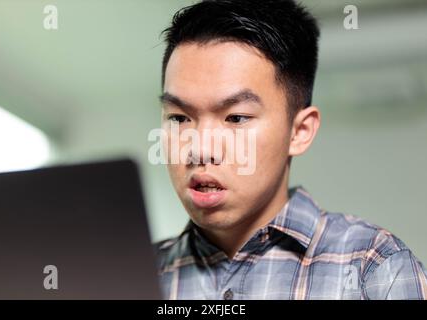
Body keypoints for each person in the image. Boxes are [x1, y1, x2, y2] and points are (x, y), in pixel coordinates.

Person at [154, 0, 427, 299]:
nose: (200, 148)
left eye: (236, 118)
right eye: (179, 118)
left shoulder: (375, 268)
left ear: (299, 131)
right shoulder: (135, 275)